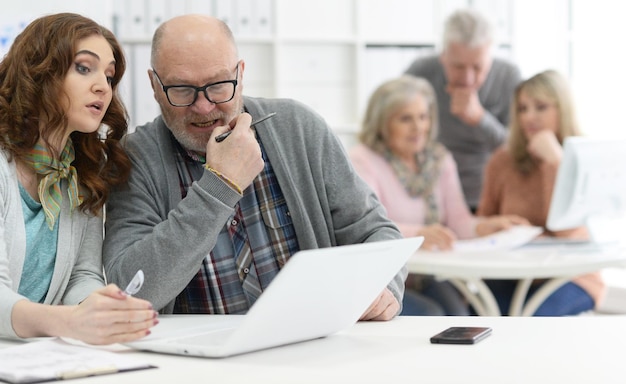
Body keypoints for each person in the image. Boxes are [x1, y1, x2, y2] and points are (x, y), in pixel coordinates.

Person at [102, 14, 406, 320]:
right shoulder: (134, 157)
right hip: (198, 361)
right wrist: (220, 186)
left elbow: (376, 233)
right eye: (182, 89)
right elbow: (129, 292)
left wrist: (385, 287)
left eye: (219, 85)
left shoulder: (297, 127)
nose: (204, 106)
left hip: (310, 345)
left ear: (241, 74)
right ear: (155, 85)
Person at [0, 13, 158, 344]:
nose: (103, 86)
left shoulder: (82, 173)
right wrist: (69, 322)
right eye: (84, 68)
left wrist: (99, 309)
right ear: (39, 71)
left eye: (110, 75)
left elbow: (81, 275)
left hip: (30, 355)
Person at [350, 75, 528, 315]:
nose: (418, 127)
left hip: (427, 274)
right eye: (405, 119)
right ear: (382, 123)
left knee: (463, 317)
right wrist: (420, 234)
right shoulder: (362, 160)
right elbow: (367, 228)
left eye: (423, 117)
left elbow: (458, 222)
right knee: (432, 315)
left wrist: (486, 226)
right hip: (383, 281)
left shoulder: (440, 159)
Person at [477, 69, 605, 316]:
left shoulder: (585, 155)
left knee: (534, 318)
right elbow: (483, 222)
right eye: (523, 109)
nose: (529, 117)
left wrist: (556, 162)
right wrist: (497, 225)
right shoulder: (502, 160)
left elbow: (567, 231)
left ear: (562, 110)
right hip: (513, 273)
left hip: (572, 276)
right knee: (473, 316)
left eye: (540, 107)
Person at [404, 8, 522, 212]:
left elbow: (519, 149)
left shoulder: (509, 77)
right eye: (458, 67)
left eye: (477, 67)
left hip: (489, 197)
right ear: (443, 56)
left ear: (490, 58)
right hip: (429, 196)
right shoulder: (421, 72)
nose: (467, 78)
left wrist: (480, 119)